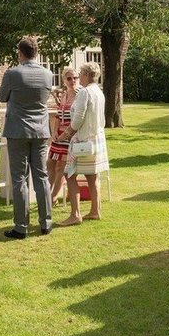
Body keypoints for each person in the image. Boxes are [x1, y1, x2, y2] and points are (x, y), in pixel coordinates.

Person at [0, 36, 54, 239]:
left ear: (20, 52)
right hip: (40, 130)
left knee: (19, 179)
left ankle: (21, 226)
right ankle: (46, 223)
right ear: (36, 53)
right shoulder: (48, 74)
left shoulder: (13, 73)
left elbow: (1, 97)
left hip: (17, 131)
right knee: (41, 176)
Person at [58, 62, 108, 226]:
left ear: (86, 75)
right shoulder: (99, 92)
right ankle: (95, 211)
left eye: (80, 74)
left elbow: (78, 119)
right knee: (92, 176)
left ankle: (75, 214)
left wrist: (66, 134)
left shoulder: (85, 92)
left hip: (82, 140)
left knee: (69, 174)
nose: (78, 77)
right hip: (97, 139)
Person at [47, 67, 81, 205]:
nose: (72, 80)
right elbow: (59, 116)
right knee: (50, 163)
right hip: (59, 135)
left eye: (75, 78)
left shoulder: (80, 94)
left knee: (61, 166)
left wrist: (66, 134)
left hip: (70, 136)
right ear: (64, 80)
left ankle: (52, 197)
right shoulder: (64, 94)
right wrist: (55, 132)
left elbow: (78, 118)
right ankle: (46, 193)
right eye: (69, 78)